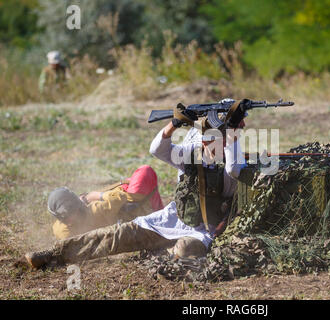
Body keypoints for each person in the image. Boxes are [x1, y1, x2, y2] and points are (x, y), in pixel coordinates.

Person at [24, 99, 248, 269]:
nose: (208, 142)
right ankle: (54, 254)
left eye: (216, 136)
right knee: (115, 236)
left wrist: (232, 132)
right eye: (207, 136)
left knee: (184, 251)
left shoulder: (234, 159)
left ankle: (165, 251)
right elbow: (157, 149)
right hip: (168, 219)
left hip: (203, 232)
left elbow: (233, 169)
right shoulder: (191, 155)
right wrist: (174, 124)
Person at [49, 165, 165, 240]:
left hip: (130, 204)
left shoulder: (60, 229)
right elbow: (119, 197)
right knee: (145, 171)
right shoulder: (95, 210)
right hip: (135, 201)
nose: (69, 220)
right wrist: (94, 195)